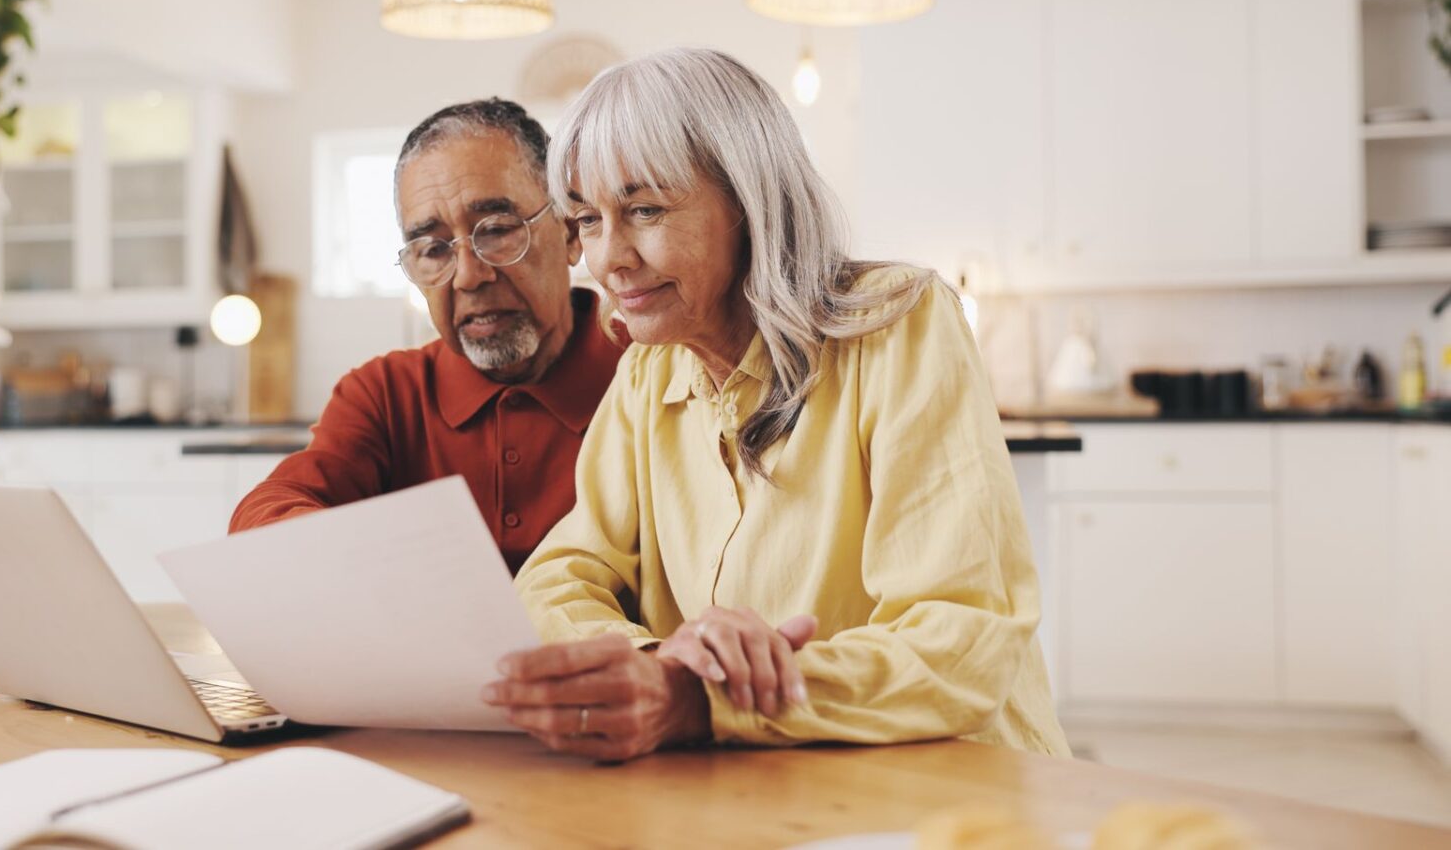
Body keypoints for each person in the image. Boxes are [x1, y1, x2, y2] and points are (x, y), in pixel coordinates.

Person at [484, 48, 1069, 761]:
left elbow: (962, 638)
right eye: (588, 220)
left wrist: (709, 697)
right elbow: (559, 574)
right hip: (765, 792)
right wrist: (653, 661)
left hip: (956, 784)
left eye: (643, 210)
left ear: (748, 200)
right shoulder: (648, 370)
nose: (609, 258)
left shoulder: (901, 324)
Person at [229, 99, 623, 572]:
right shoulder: (384, 395)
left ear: (570, 233)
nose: (467, 277)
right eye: (433, 249)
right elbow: (269, 507)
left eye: (496, 230)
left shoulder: (650, 375)